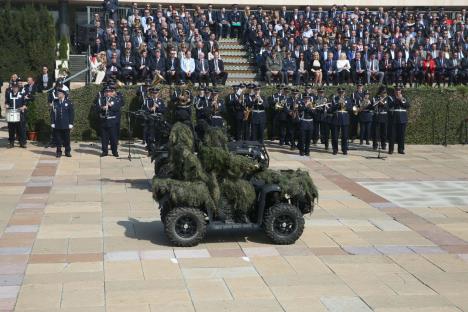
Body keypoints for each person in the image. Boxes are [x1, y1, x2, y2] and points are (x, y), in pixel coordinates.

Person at [97, 85, 122, 157]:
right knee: (104, 138)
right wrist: (102, 108)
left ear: (112, 93)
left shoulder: (116, 99)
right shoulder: (100, 99)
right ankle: (104, 151)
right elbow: (97, 109)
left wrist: (111, 106)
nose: (108, 93)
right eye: (106, 92)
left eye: (110, 92)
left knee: (113, 138)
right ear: (104, 93)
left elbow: (117, 108)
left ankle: (115, 151)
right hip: (104, 121)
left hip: (113, 122)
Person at [51, 88, 74, 158]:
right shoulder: (55, 102)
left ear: (63, 94)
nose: (58, 95)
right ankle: (58, 152)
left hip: (66, 124)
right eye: (58, 94)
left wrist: (71, 123)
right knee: (58, 139)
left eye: (59, 93)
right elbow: (52, 113)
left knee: (67, 139)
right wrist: (52, 122)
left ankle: (67, 151)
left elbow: (71, 114)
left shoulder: (68, 102)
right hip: (57, 124)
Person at [143, 88, 166, 154]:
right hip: (151, 121)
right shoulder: (148, 101)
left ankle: (157, 150)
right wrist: (150, 109)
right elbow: (145, 111)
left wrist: (158, 107)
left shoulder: (160, 101)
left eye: (156, 93)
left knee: (158, 136)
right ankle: (150, 151)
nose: (155, 94)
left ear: (158, 94)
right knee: (150, 137)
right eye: (153, 93)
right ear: (151, 93)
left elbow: (164, 111)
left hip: (158, 121)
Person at [5, 82, 27, 148]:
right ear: (12, 88)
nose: (15, 89)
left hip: (19, 114)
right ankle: (11, 143)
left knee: (21, 129)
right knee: (11, 129)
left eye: (16, 87)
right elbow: (7, 102)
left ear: (18, 88)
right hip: (11, 114)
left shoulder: (21, 94)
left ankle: (22, 143)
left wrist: (23, 107)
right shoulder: (9, 94)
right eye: (14, 87)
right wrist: (6, 105)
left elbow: (25, 104)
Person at [388, 87, 410, 154]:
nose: (398, 92)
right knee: (392, 135)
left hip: (403, 118)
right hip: (394, 118)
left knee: (401, 135)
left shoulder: (404, 97)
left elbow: (407, 105)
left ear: (401, 91)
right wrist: (397, 100)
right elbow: (390, 105)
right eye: (396, 90)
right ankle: (391, 149)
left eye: (399, 90)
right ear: (394, 91)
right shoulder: (391, 97)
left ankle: (401, 149)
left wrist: (401, 100)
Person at [330, 88, 352, 155]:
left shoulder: (348, 99)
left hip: (345, 118)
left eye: (342, 92)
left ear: (344, 92)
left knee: (345, 136)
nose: (341, 93)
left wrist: (345, 105)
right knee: (335, 136)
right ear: (338, 92)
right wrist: (338, 104)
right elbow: (332, 109)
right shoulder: (335, 99)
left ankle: (344, 149)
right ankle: (335, 149)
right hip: (336, 118)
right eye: (340, 92)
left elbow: (350, 108)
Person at [371, 86, 389, 151]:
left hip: (384, 116)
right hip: (377, 116)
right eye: (383, 92)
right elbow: (372, 106)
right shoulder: (375, 98)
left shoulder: (387, 98)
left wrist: (383, 104)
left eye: (385, 92)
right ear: (380, 92)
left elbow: (388, 107)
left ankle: (383, 145)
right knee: (375, 132)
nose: (384, 93)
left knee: (384, 132)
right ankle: (375, 145)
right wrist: (378, 102)